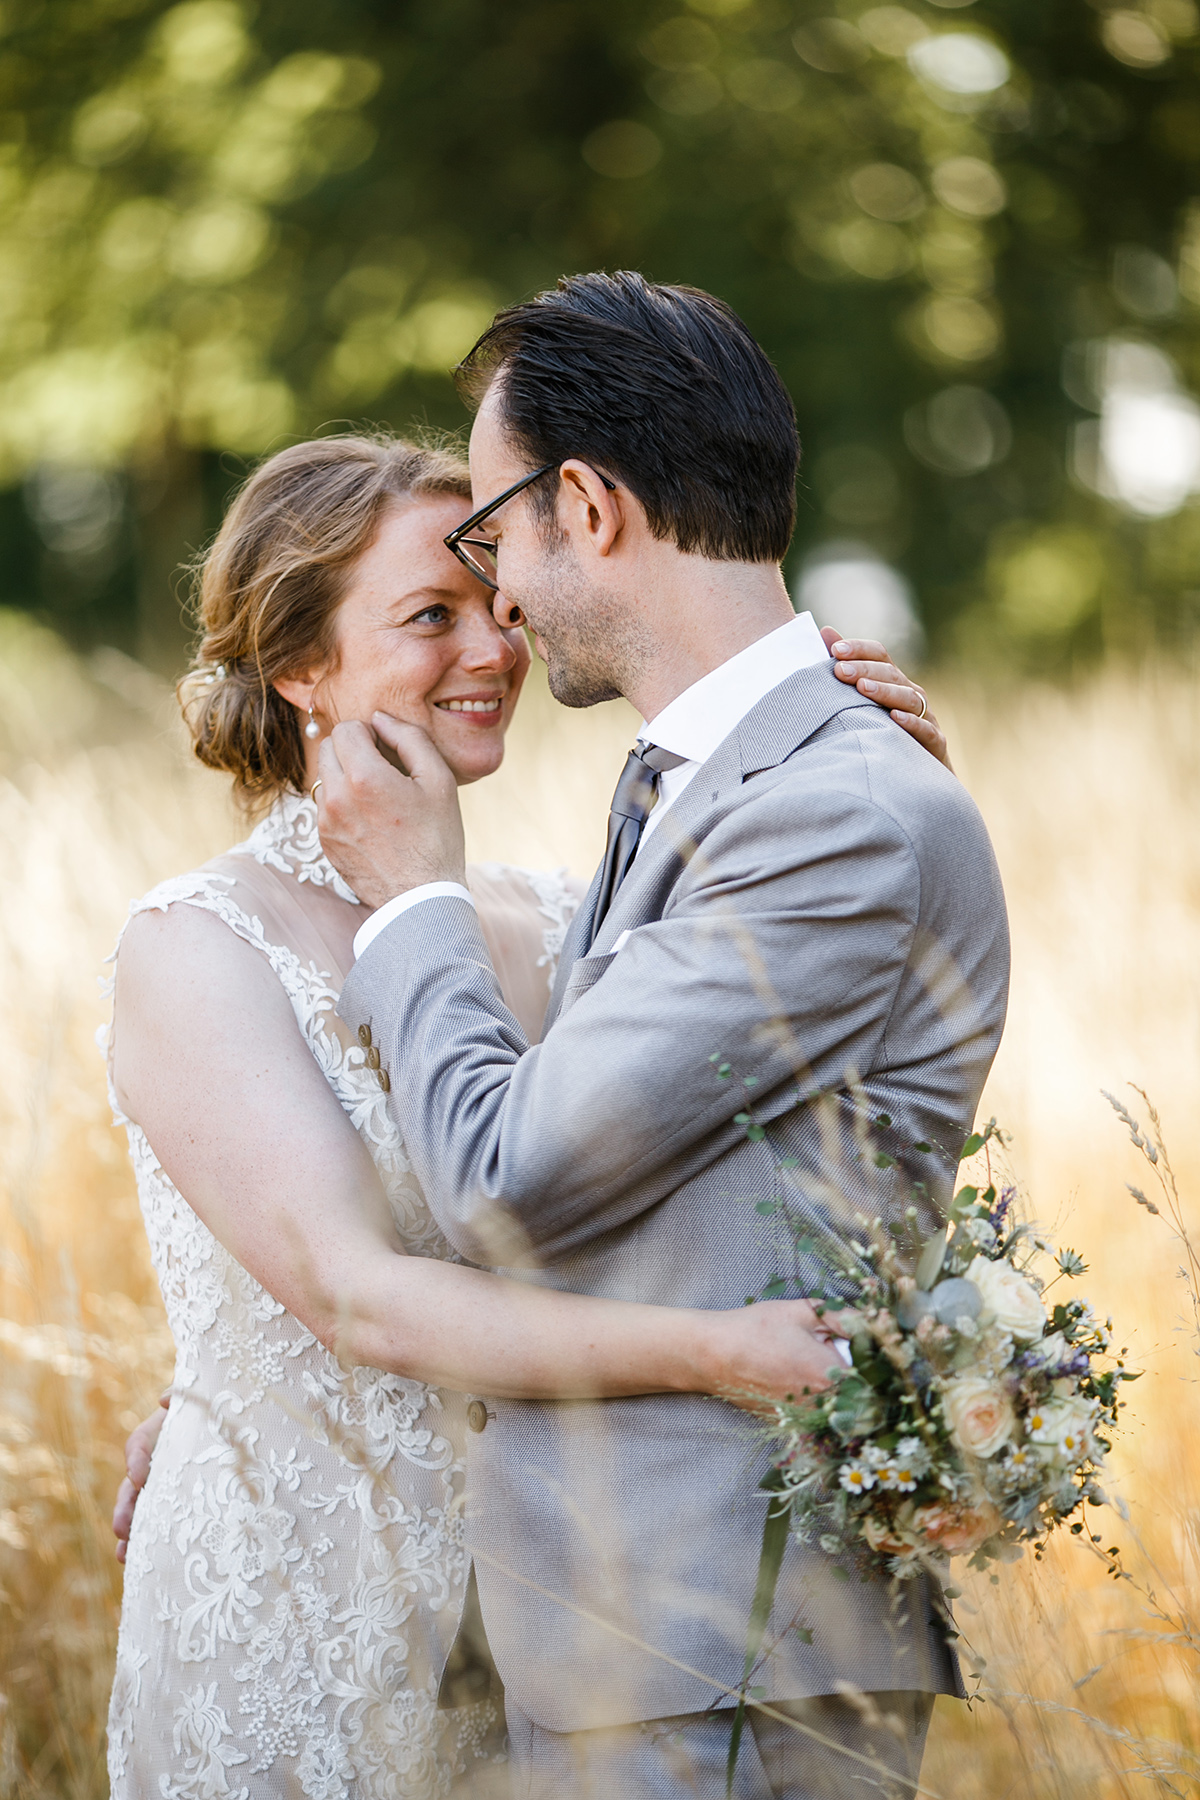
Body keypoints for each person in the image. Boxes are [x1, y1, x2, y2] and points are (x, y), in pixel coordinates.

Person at [106, 428, 943, 1799]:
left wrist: (862, 768)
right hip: (303, 1607)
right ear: (300, 665)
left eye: (495, 603)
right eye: (429, 616)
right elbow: (359, 1303)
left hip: (558, 1618)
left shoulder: (556, 921)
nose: (492, 649)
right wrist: (719, 1352)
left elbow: (727, 1106)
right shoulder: (198, 946)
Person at [313, 273, 1011, 1799]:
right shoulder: (709, 781)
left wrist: (412, 902)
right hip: (633, 1633)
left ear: (588, 504)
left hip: (716, 1642)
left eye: (494, 536)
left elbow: (511, 1178)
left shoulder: (833, 807)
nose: (495, 596)